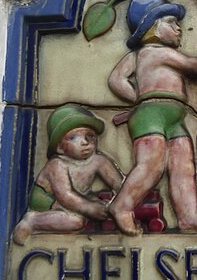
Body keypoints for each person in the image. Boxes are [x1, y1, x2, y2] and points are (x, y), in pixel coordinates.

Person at [108, 0, 197, 235]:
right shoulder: (155, 52)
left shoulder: (135, 57)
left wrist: (137, 97)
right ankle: (122, 205)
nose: (178, 28)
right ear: (152, 27)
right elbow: (192, 65)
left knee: (183, 166)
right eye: (171, 22)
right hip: (152, 117)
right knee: (151, 165)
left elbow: (116, 79)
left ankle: (190, 216)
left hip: (173, 117)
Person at [12, 104, 124, 245]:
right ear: (60, 147)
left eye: (90, 136)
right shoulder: (57, 165)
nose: (85, 142)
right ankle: (32, 221)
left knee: (99, 206)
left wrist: (126, 198)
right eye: (73, 138)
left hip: (78, 199)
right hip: (49, 201)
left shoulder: (99, 160)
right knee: (75, 222)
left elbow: (119, 184)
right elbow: (65, 196)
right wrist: (89, 208)